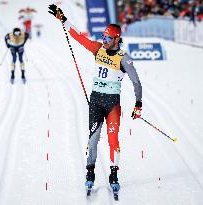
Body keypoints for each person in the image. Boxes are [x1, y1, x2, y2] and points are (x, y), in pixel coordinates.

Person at [48, 4, 142, 198]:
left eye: (108, 38)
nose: (104, 40)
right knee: (93, 139)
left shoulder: (124, 59)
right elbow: (79, 37)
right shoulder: (98, 49)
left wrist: (138, 104)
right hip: (96, 102)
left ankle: (113, 176)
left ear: (117, 39)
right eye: (103, 37)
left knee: (113, 140)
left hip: (112, 104)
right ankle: (90, 172)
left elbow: (136, 82)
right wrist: (63, 19)